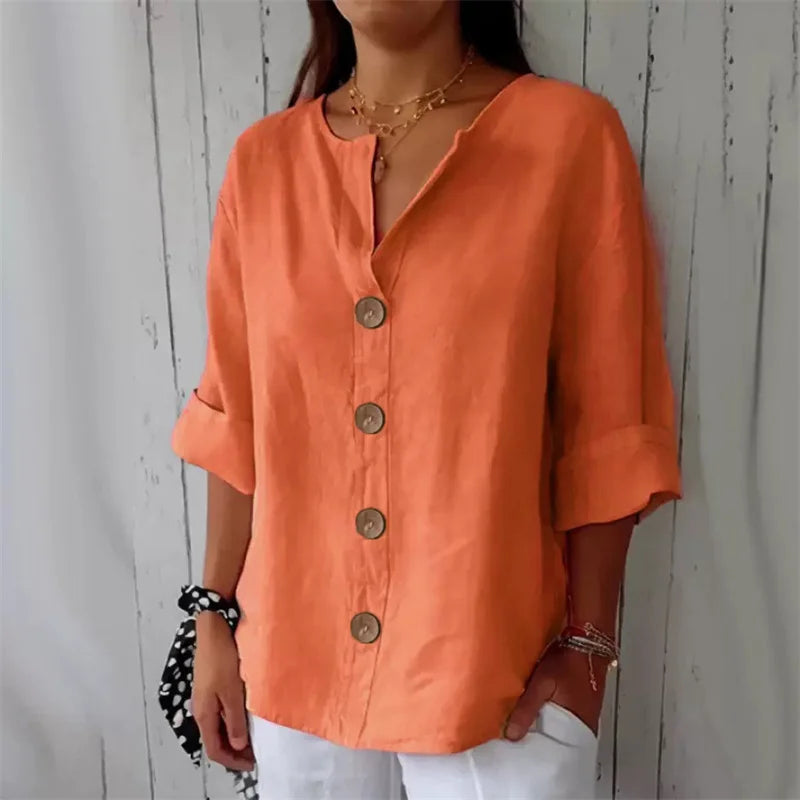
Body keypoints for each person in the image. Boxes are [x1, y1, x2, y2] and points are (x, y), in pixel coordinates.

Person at [170, 0, 683, 797]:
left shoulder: (568, 139)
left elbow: (610, 419)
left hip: (498, 679)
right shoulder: (263, 165)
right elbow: (236, 419)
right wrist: (213, 620)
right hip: (295, 675)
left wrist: (589, 649)